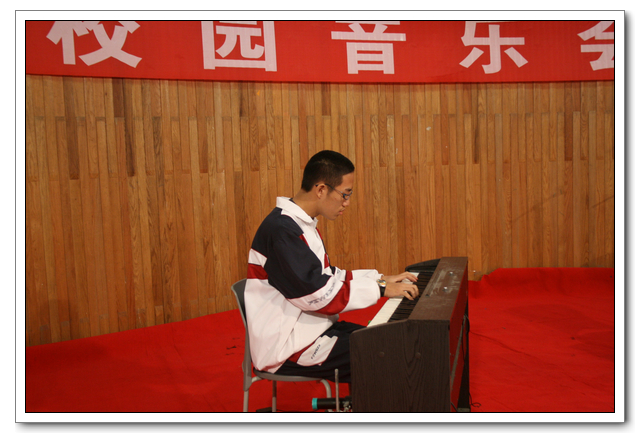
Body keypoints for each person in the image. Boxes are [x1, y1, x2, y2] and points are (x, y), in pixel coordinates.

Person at [245, 150, 418, 383]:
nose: (347, 203)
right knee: (389, 356)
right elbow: (317, 295)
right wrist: (380, 289)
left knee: (392, 342)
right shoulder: (282, 231)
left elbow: (327, 276)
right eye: (345, 194)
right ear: (321, 190)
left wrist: (379, 279)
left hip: (311, 327)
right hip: (288, 346)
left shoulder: (299, 223)